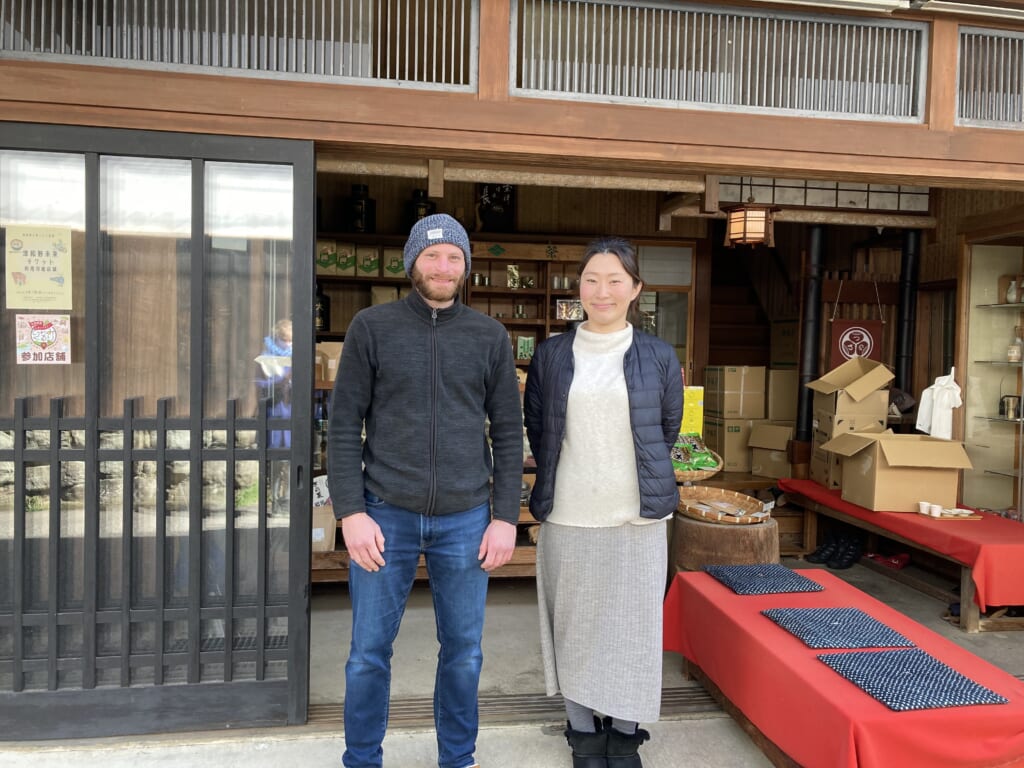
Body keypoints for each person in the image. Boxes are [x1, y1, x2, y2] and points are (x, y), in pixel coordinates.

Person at [327, 213, 524, 768]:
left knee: (463, 653)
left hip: (466, 518)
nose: (444, 267)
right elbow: (344, 426)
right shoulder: (372, 327)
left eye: (454, 257)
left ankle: (457, 759)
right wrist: (350, 512)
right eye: (433, 256)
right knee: (368, 653)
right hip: (383, 513)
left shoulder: (489, 337)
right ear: (412, 262)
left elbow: (508, 433)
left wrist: (504, 516)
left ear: (465, 266)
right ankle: (361, 759)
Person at [523, 236, 683, 768]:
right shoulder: (551, 354)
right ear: (579, 289)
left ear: (635, 289)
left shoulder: (658, 355)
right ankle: (584, 734)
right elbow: (538, 425)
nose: (603, 290)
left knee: (634, 631)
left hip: (636, 518)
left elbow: (665, 428)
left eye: (616, 280)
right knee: (575, 629)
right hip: (569, 514)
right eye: (592, 279)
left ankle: (625, 734)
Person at [255, 318, 293, 514]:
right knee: (273, 461)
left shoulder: (297, 354)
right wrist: (279, 382)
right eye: (284, 340)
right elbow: (259, 384)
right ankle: (272, 500)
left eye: (290, 340)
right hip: (274, 413)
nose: (287, 344)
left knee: (291, 460)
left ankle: (286, 498)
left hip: (292, 413)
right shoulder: (266, 357)